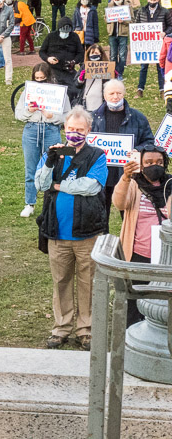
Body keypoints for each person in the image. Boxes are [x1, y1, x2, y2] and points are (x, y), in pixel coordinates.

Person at [36, 106, 108, 351]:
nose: (74, 133)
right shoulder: (54, 153)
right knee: (61, 282)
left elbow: (91, 187)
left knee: (88, 282)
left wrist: (57, 187)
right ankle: (61, 328)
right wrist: (48, 163)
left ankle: (86, 330)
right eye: (70, 129)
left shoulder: (97, 155)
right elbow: (39, 183)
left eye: (79, 130)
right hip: (57, 231)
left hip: (87, 232)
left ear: (88, 130)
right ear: (63, 129)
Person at [113, 144, 172, 326]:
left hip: (165, 255)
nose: (154, 165)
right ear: (141, 163)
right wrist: (125, 178)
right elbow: (119, 204)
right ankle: (130, 336)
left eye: (159, 162)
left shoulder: (170, 184)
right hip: (138, 254)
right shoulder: (134, 183)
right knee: (134, 300)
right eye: (149, 162)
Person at [91, 79, 154, 222]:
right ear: (104, 95)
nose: (115, 97)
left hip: (128, 174)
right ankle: (102, 241)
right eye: (111, 93)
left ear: (124, 94)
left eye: (119, 93)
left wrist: (137, 150)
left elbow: (149, 141)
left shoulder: (138, 118)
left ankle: (128, 243)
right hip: (100, 174)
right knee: (100, 217)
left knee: (129, 217)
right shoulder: (93, 117)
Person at [16, 63, 69, 218]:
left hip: (51, 129)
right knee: (30, 167)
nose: (39, 81)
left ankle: (52, 201)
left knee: (54, 165)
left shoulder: (59, 93)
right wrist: (29, 111)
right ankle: (29, 203)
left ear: (48, 77)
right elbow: (18, 114)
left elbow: (67, 115)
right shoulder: (27, 92)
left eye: (42, 78)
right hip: (31, 129)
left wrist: (53, 117)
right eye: (36, 78)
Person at [135, 0, 172, 98]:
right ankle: (140, 89)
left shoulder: (164, 11)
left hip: (160, 43)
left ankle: (162, 89)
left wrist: (165, 32)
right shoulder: (141, 10)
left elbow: (170, 25)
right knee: (143, 67)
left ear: (158, 0)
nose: (152, 1)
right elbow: (136, 24)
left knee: (160, 66)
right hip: (145, 44)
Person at [39, 16, 85, 99]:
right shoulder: (51, 36)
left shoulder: (74, 37)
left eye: (67, 32)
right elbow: (42, 51)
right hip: (53, 70)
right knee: (54, 91)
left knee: (75, 90)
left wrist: (74, 61)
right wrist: (48, 58)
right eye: (63, 31)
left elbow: (80, 53)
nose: (65, 34)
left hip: (68, 71)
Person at [107, 0, 130, 81]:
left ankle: (120, 73)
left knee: (122, 55)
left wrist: (123, 21)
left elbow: (132, 19)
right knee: (113, 55)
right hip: (112, 33)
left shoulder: (127, 6)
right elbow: (106, 19)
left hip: (123, 34)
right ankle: (114, 72)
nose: (117, 1)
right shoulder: (110, 6)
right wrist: (110, 18)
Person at [78, 44, 109, 111]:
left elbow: (111, 86)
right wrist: (80, 79)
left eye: (96, 53)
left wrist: (114, 76)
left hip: (101, 103)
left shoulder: (106, 67)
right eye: (92, 53)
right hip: (87, 102)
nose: (94, 55)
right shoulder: (84, 67)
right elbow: (76, 84)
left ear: (101, 54)